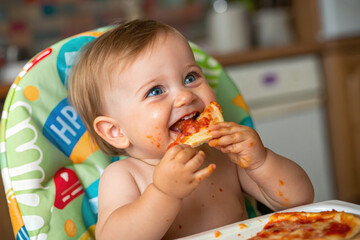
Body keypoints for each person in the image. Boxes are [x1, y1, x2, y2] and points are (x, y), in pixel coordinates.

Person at [68, 19, 314, 240]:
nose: (185, 95)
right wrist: (164, 193)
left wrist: (261, 161)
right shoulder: (125, 175)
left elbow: (300, 200)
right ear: (115, 132)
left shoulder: (223, 157)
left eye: (190, 77)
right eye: (155, 91)